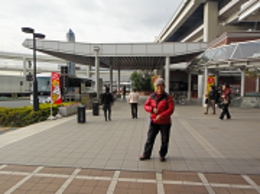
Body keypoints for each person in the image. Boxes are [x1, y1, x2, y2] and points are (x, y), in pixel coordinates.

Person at [140, 78, 174, 162]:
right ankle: (146, 154)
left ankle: (162, 154)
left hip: (165, 122)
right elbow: (145, 106)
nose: (160, 88)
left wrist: (161, 115)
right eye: (158, 86)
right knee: (150, 138)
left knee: (164, 140)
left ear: (164, 87)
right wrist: (152, 109)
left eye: (161, 86)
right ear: (156, 87)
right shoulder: (152, 96)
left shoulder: (168, 97)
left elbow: (171, 109)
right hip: (154, 121)